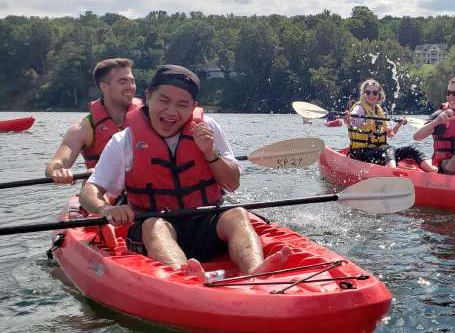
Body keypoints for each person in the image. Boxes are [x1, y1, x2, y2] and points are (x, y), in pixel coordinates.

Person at [80, 65, 288, 279]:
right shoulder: (125, 140)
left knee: (237, 214)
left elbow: (232, 184)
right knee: (154, 226)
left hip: (203, 222)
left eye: (182, 105)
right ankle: (186, 279)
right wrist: (105, 209)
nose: (171, 111)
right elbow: (89, 192)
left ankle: (256, 272)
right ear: (149, 97)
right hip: (152, 225)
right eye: (164, 100)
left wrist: (210, 153)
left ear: (193, 107)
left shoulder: (207, 128)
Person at [45, 58, 142, 185]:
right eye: (123, 82)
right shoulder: (83, 128)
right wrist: (58, 171)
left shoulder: (149, 117)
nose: (131, 87)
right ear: (104, 86)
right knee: (90, 173)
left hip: (141, 189)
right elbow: (57, 163)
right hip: (105, 192)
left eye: (132, 81)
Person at [346, 79, 437, 172]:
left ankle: (432, 171)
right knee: (388, 149)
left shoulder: (379, 111)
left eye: (374, 93)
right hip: (361, 153)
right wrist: (348, 120)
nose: (371, 95)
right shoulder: (359, 109)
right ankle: (391, 172)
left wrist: (398, 124)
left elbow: (390, 134)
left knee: (412, 149)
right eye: (368, 92)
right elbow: (352, 121)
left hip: (378, 152)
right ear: (363, 94)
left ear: (379, 96)